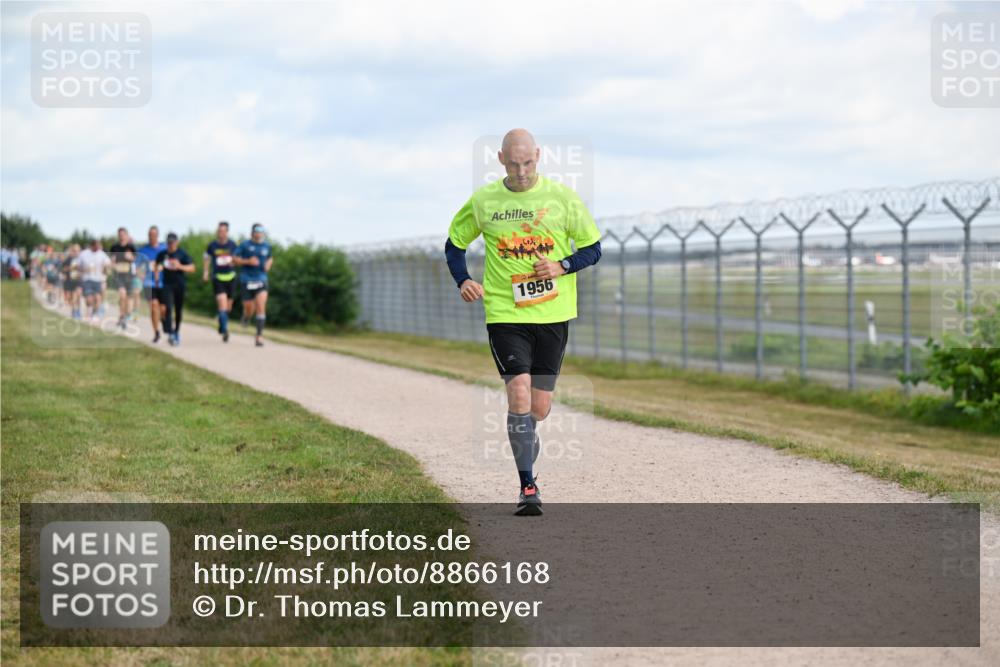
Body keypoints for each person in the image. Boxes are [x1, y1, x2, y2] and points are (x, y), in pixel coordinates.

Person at [444, 129, 602, 516]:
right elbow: (454, 244)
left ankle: (526, 438)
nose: (520, 171)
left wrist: (561, 265)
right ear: (500, 159)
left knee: (539, 407)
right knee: (517, 393)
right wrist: (463, 279)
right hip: (504, 313)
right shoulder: (484, 201)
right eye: (513, 163)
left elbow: (593, 248)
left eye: (527, 162)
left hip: (553, 314)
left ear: (539, 156)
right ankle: (527, 486)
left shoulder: (562, 198)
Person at [234, 223, 273, 347]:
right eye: (257, 230)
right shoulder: (245, 245)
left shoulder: (267, 246)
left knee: (261, 306)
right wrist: (247, 261)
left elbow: (270, 258)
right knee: (249, 308)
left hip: (261, 279)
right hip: (247, 280)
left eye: (261, 230)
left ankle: (259, 337)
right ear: (252, 232)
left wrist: (268, 265)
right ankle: (246, 317)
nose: (259, 233)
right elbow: (234, 259)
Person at [154, 233, 195, 346]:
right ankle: (170, 331)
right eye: (169, 243)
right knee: (167, 308)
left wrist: (180, 266)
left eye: (172, 242)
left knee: (178, 310)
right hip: (167, 284)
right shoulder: (163, 254)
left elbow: (192, 268)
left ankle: (176, 331)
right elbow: (156, 266)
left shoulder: (182, 254)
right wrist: (157, 275)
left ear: (177, 242)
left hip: (179, 284)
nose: (171, 245)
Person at [203, 221, 238, 342]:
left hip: (231, 278)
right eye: (219, 231)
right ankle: (225, 330)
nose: (221, 233)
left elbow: (238, 259)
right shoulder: (212, 245)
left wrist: (232, 261)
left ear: (227, 232)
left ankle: (221, 323)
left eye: (223, 231)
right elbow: (207, 258)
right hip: (218, 278)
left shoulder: (233, 245)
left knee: (228, 308)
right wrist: (206, 272)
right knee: (222, 304)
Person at [137, 226, 167, 342]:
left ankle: (164, 321)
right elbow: (137, 267)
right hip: (149, 283)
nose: (152, 237)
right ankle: (156, 332)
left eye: (154, 235)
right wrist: (140, 275)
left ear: (158, 235)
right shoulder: (143, 251)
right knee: (154, 306)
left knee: (164, 309)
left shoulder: (164, 249)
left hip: (163, 283)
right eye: (150, 235)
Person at [109, 227, 138, 330]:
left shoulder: (131, 247)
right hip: (119, 276)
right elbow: (112, 260)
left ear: (126, 235)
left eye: (123, 234)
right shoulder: (114, 247)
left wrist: (131, 257)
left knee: (128, 299)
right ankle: (122, 316)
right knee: (122, 295)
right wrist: (112, 264)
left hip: (129, 276)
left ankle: (125, 316)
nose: (121, 236)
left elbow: (136, 259)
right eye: (119, 234)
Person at [78, 239, 111, 322]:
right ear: (92, 246)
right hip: (86, 279)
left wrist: (106, 267)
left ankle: (95, 313)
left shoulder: (102, 254)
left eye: (99, 246)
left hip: (98, 279)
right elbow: (78, 266)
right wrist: (84, 269)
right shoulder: (84, 254)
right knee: (89, 299)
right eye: (97, 246)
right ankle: (89, 309)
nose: (98, 248)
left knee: (97, 297)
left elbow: (108, 264)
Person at [61, 244, 83, 319]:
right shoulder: (69, 259)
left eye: (78, 251)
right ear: (72, 251)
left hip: (79, 280)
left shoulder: (82, 259)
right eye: (75, 251)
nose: (76, 252)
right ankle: (74, 310)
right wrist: (72, 268)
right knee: (72, 297)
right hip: (70, 280)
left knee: (78, 294)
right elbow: (63, 269)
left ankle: (78, 311)